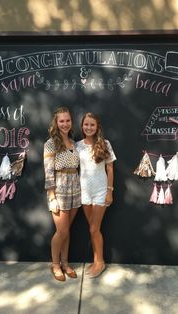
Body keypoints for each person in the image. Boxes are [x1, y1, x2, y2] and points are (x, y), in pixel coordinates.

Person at [76, 112, 116, 278]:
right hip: (84, 191)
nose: (89, 127)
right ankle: (96, 260)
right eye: (86, 124)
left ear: (97, 126)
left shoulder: (105, 144)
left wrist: (109, 191)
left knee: (94, 228)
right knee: (93, 230)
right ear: (82, 126)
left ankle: (100, 262)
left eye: (92, 125)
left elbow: (110, 168)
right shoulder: (77, 145)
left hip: (100, 191)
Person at [43, 107, 81, 282]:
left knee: (68, 231)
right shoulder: (51, 143)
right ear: (56, 123)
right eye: (61, 121)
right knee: (62, 231)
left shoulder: (74, 143)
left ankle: (65, 263)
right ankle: (56, 265)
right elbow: (49, 172)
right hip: (59, 189)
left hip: (75, 188)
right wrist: (52, 197)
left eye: (68, 120)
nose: (65, 124)